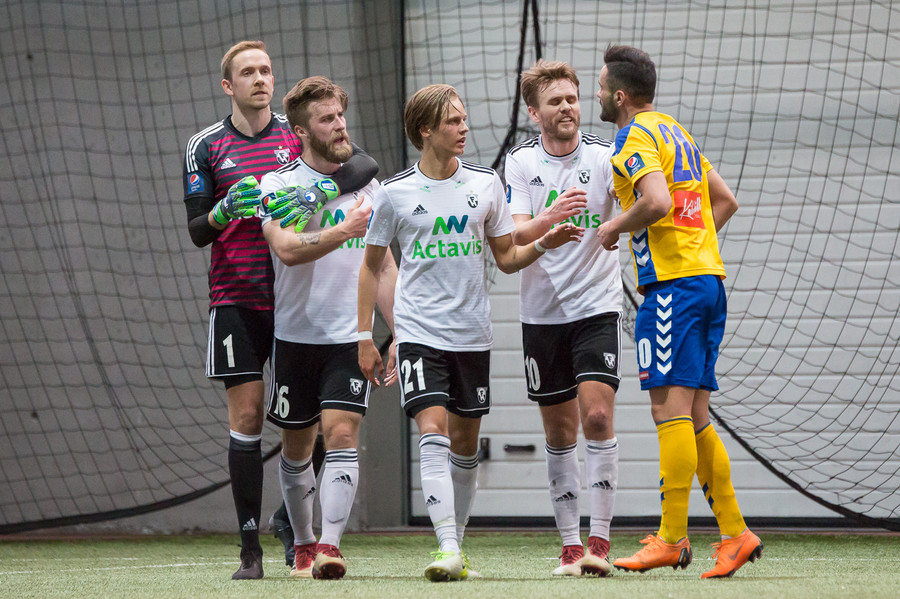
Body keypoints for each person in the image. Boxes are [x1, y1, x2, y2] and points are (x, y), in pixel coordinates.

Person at [357, 84, 583, 582]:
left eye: (463, 119)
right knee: (432, 430)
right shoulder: (394, 193)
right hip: (419, 333)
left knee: (464, 445)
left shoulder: (485, 184)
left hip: (472, 335)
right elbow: (371, 267)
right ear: (425, 130)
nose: (464, 128)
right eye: (453, 121)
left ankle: (455, 545)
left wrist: (545, 241)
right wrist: (363, 336)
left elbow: (507, 259)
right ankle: (445, 547)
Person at [181, 41, 377, 580]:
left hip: (299, 300)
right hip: (238, 296)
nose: (260, 79)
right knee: (248, 419)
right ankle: (250, 551)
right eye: (248, 72)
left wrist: (321, 191)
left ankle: (297, 529)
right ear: (229, 85)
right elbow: (197, 230)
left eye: (266, 70)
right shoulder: (206, 145)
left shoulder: (297, 133)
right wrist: (222, 212)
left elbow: (364, 163)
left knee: (319, 424)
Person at [595, 45, 762, 578]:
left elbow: (657, 202)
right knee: (695, 417)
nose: (598, 94)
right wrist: (695, 246)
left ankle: (671, 538)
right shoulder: (676, 132)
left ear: (620, 97)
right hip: (707, 282)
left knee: (669, 413)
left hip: (672, 290)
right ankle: (735, 533)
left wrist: (612, 228)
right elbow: (725, 201)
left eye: (601, 87)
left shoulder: (632, 137)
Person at [259, 75, 397, 581]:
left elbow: (384, 266)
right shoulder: (276, 186)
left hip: (349, 337)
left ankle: (329, 548)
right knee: (297, 447)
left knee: (341, 433)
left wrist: (400, 330)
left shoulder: (371, 187)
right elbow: (287, 250)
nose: (339, 125)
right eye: (326, 119)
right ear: (300, 131)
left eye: (340, 115)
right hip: (296, 337)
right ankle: (301, 542)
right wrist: (343, 229)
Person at [505, 59, 622, 578]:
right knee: (559, 431)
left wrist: (619, 225)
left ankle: (600, 540)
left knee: (596, 417)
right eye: (555, 101)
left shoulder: (605, 155)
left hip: (597, 305)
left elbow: (638, 203)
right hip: (542, 313)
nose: (567, 107)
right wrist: (549, 225)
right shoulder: (520, 162)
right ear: (535, 113)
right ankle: (570, 545)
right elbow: (516, 235)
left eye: (572, 98)